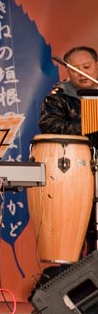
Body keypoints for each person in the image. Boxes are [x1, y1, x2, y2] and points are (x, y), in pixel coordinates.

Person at [38, 46, 98, 256]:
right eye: (74, 69)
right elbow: (49, 125)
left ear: (96, 66)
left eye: (87, 67)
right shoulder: (59, 96)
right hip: (75, 174)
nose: (82, 73)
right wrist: (89, 125)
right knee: (78, 232)